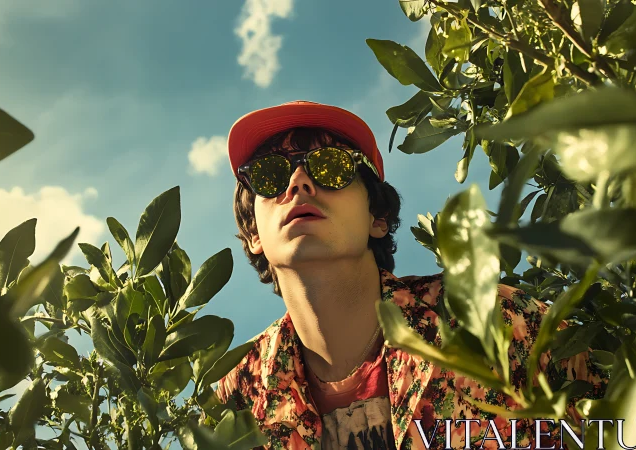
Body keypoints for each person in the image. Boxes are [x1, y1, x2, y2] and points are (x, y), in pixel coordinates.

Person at [216, 101, 607, 449]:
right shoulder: (236, 397)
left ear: (378, 218)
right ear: (253, 234)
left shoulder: (493, 319)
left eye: (331, 167)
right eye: (269, 175)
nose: (297, 183)